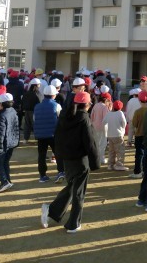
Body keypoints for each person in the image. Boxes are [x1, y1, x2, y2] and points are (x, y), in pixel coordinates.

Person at [41, 90, 99, 233]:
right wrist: (95, 163)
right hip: (80, 160)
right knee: (79, 192)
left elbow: (58, 137)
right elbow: (90, 143)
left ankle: (53, 210)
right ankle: (73, 223)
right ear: (87, 104)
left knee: (73, 187)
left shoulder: (64, 116)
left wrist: (60, 157)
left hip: (67, 159)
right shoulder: (84, 119)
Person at [33, 85, 64, 183]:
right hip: (53, 134)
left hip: (40, 135)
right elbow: (61, 119)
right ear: (54, 95)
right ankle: (61, 171)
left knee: (42, 155)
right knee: (58, 153)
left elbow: (35, 119)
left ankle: (42, 175)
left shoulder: (37, 106)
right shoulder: (57, 105)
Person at [0, 93, 20, 192]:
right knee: (5, 162)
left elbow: (0, 133)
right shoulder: (13, 111)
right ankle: (8, 180)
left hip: (3, 143)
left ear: (1, 104)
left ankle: (4, 182)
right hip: (12, 141)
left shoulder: (1, 115)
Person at [103, 100, 128, 171]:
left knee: (111, 151)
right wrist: (122, 129)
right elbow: (124, 123)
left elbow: (104, 122)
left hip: (110, 135)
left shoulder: (108, 113)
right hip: (118, 135)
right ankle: (119, 165)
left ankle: (110, 165)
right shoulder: (120, 113)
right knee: (120, 150)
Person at [131, 90, 147, 178]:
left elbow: (134, 124)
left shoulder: (137, 111)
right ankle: (146, 170)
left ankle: (137, 171)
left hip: (139, 134)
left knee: (139, 154)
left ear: (139, 100)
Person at [91, 92, 111, 166]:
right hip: (102, 127)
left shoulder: (96, 105)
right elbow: (106, 119)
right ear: (106, 100)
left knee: (96, 142)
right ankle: (101, 158)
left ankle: (96, 158)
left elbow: (92, 116)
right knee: (103, 143)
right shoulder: (104, 107)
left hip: (94, 126)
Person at [22, 78, 42, 144]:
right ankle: (37, 139)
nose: (39, 86)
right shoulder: (36, 94)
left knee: (27, 125)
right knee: (35, 125)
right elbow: (39, 103)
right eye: (39, 85)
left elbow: (23, 102)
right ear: (35, 86)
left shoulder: (26, 93)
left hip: (26, 111)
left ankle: (25, 139)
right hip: (34, 112)